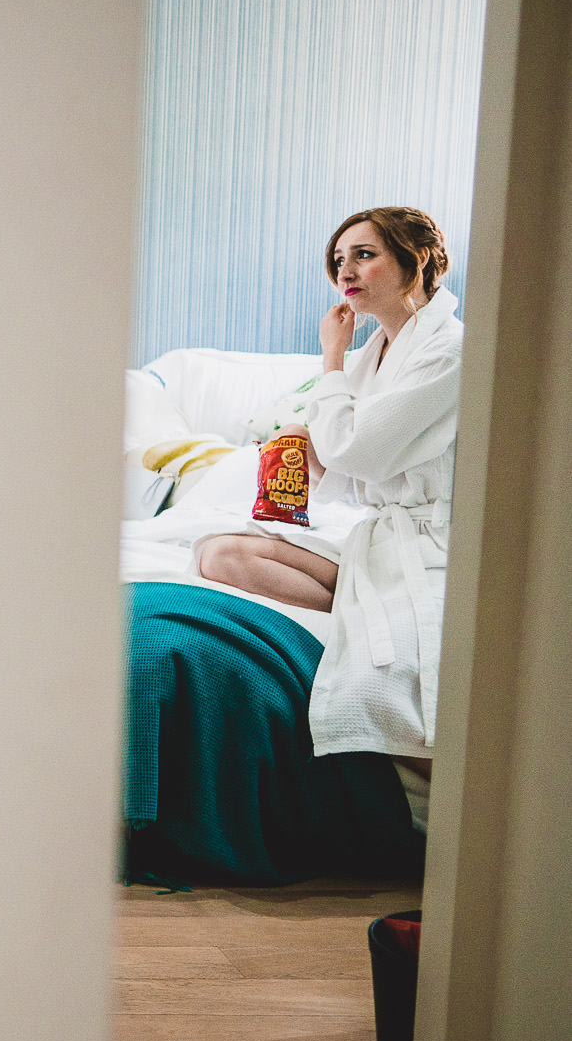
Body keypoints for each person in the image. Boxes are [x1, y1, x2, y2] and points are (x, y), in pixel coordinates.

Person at [196, 207, 462, 778]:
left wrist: (331, 358)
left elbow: (360, 452)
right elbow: (347, 466)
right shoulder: (379, 353)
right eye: (339, 260)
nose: (346, 271)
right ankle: (356, 612)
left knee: (377, 685)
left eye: (365, 255)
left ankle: (455, 805)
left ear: (416, 262)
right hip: (381, 536)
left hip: (432, 543)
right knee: (220, 552)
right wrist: (304, 445)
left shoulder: (448, 353)